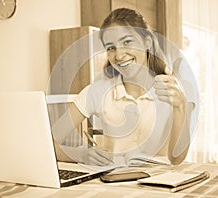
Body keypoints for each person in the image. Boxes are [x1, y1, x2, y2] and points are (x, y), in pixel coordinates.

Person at [52, 8, 198, 166]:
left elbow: (177, 158)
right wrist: (80, 155)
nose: (119, 55)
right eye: (110, 47)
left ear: (147, 42)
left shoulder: (178, 89)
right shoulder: (96, 92)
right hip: (113, 182)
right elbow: (48, 143)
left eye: (127, 42)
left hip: (161, 185)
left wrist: (180, 107)